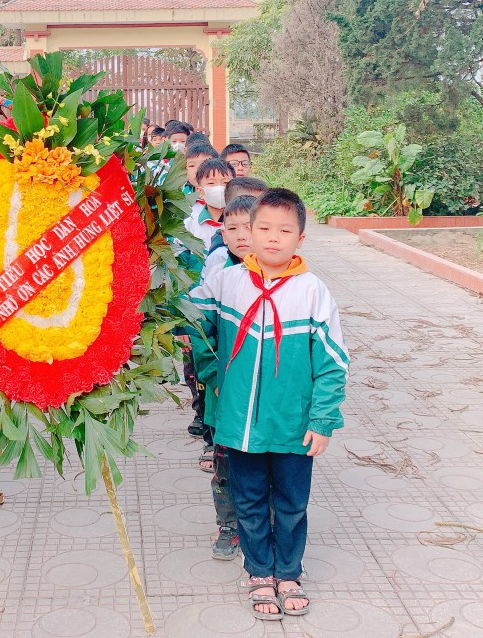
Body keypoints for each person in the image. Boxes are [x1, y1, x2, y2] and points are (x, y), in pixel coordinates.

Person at [189, 188, 349, 620]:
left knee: (293, 502)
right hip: (240, 423)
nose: (272, 238)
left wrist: (323, 419)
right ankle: (259, 570)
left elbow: (334, 363)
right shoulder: (226, 281)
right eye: (263, 228)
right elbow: (193, 324)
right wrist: (211, 376)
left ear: (301, 238)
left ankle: (289, 571)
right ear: (248, 235)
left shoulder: (313, 292)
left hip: (293, 424)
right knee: (249, 499)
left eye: (284, 230)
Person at [198, 193, 258, 560]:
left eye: (248, 227)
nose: (239, 235)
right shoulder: (220, 276)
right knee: (225, 467)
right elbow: (202, 332)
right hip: (225, 394)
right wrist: (212, 375)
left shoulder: (287, 279)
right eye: (231, 227)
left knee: (261, 467)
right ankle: (229, 525)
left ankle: (259, 525)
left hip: (265, 397)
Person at [186, 157, 235, 248]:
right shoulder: (190, 224)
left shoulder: (244, 222)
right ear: (199, 191)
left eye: (225, 182)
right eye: (211, 183)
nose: (219, 188)